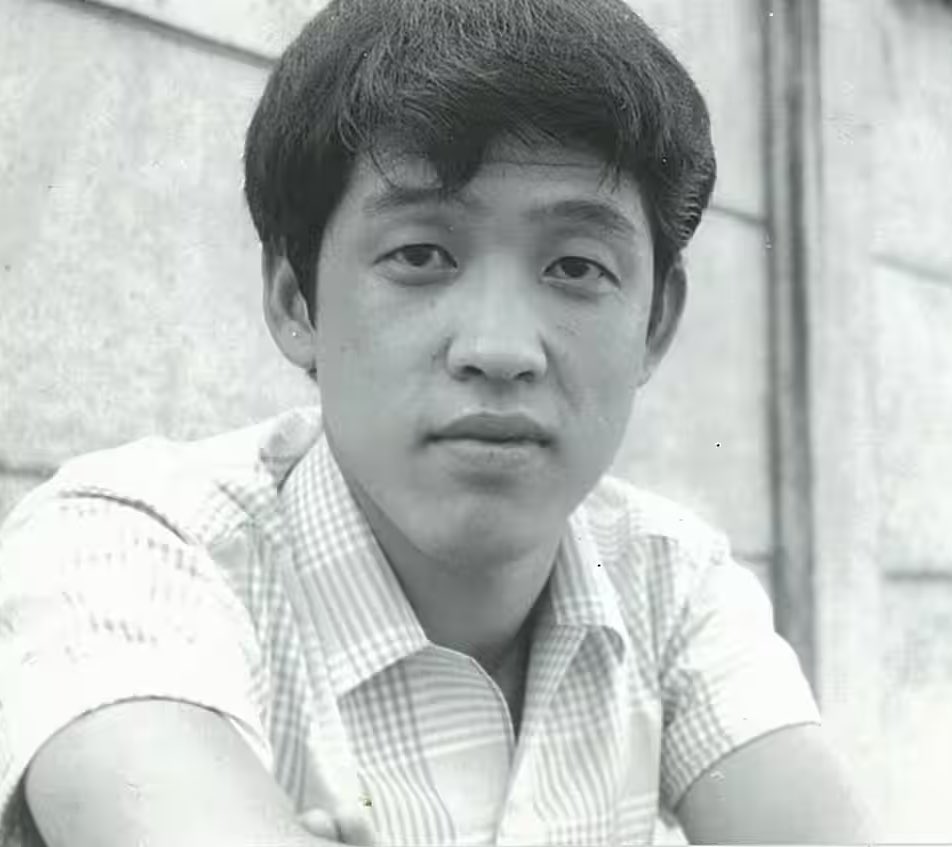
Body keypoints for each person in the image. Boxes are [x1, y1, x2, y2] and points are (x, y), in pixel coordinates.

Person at [0, 0, 872, 844]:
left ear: (655, 323)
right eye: (421, 255)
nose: (500, 350)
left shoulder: (668, 583)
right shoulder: (126, 547)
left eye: (575, 266)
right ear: (295, 299)